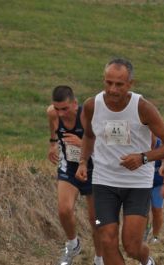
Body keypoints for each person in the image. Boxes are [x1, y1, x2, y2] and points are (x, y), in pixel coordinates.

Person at [75, 58, 164, 265]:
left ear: (130, 84)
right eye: (108, 82)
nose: (112, 89)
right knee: (106, 240)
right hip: (104, 180)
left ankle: (146, 260)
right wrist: (83, 162)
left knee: (131, 246)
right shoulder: (91, 105)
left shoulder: (143, 107)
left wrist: (143, 158)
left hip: (137, 182)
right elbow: (88, 136)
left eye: (119, 84)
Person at [46, 85, 103, 265]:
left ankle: (99, 259)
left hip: (95, 169)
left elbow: (104, 146)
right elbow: (54, 130)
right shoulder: (52, 113)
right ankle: (73, 244)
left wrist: (82, 143)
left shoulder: (87, 117)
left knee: (95, 219)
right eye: (57, 108)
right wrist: (53, 144)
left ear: (75, 104)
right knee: (64, 209)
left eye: (65, 108)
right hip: (69, 168)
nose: (61, 113)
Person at [144, 137, 164, 244]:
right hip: (143, 184)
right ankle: (146, 229)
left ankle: (155, 236)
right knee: (143, 211)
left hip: (158, 184)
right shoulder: (140, 142)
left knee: (157, 210)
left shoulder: (161, 144)